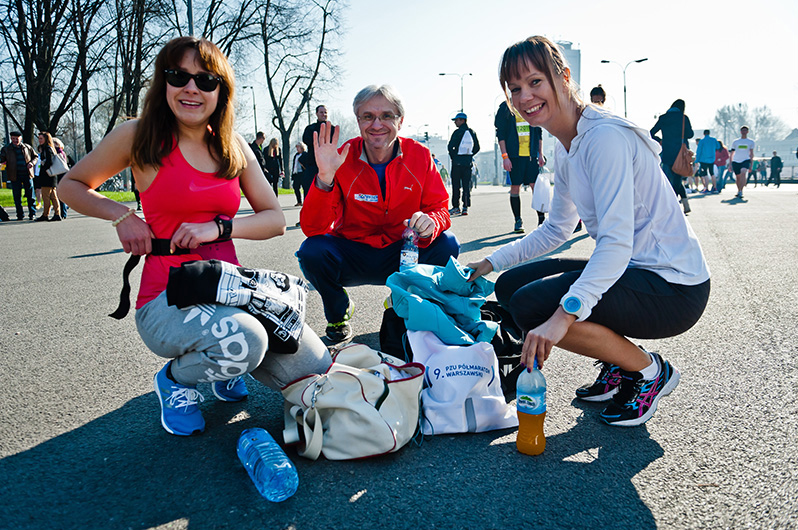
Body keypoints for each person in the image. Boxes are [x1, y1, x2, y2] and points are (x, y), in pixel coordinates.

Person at [58, 36, 331, 437]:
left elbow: (273, 219)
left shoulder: (233, 145)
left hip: (230, 289)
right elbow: (71, 185)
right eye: (178, 76)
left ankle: (225, 367)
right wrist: (122, 216)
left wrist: (219, 227)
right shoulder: (138, 135)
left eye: (205, 80)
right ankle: (177, 381)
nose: (191, 88)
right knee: (246, 339)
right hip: (165, 299)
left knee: (315, 367)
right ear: (163, 83)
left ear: (221, 90)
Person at [467, 36, 710, 427]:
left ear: (562, 77)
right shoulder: (566, 145)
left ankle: (648, 371)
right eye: (515, 89)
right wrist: (490, 261)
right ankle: (618, 364)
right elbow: (557, 228)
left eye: (534, 82)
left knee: (533, 307)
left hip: (673, 287)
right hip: (632, 272)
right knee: (510, 287)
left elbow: (615, 243)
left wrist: (563, 316)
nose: (524, 96)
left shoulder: (604, 138)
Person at [296, 84, 460, 343]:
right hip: (354, 251)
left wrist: (432, 222)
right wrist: (325, 178)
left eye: (386, 116)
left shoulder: (420, 155)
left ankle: (407, 302)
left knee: (447, 243)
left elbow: (440, 207)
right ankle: (338, 312)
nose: (377, 124)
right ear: (358, 121)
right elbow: (313, 229)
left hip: (403, 250)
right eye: (368, 116)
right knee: (311, 250)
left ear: (401, 121)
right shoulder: (342, 157)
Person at [495, 100, 544, 233]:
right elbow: (501, 134)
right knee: (515, 187)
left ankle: (542, 220)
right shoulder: (505, 107)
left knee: (536, 187)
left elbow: (538, 131)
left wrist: (540, 154)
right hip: (514, 157)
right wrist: (505, 157)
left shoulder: (531, 104)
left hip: (531, 156)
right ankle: (518, 220)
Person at [651, 99, 694, 214]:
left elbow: (651, 132)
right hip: (680, 154)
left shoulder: (663, 118)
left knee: (668, 181)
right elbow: (690, 134)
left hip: (667, 153)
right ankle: (680, 205)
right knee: (677, 180)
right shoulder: (684, 118)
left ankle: (677, 205)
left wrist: (660, 141)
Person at [447, 112, 480, 215]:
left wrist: (454, 157)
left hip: (457, 163)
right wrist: (469, 155)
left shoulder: (457, 133)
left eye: (456, 120)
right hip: (467, 163)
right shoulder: (472, 132)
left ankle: (456, 207)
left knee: (456, 186)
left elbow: (450, 146)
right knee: (466, 185)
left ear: (462, 120)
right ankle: (465, 207)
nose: (455, 123)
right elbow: (477, 147)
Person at [0, 131, 37, 220]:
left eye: (16, 138)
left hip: (27, 174)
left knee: (30, 195)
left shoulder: (27, 147)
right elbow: (1, 158)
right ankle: (20, 214)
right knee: (17, 196)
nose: (15, 140)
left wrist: (32, 163)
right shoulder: (6, 149)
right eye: (13, 138)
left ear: (20, 138)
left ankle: (32, 213)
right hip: (14, 175)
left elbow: (35, 157)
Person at [301, 104, 335, 183]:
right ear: (316, 114)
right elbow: (306, 140)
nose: (324, 114)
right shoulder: (310, 128)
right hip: (312, 162)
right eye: (321, 112)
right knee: (309, 186)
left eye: (325, 112)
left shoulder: (332, 129)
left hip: (327, 163)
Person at [35, 132, 63, 221]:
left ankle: (45, 214)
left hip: (47, 176)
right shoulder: (50, 148)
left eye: (41, 138)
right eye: (39, 138)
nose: (39, 140)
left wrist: (43, 165)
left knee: (46, 196)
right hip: (52, 176)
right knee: (53, 196)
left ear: (46, 139)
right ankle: (57, 214)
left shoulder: (47, 149)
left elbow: (49, 162)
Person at [730, 126, 755, 199]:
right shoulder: (736, 142)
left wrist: (751, 164)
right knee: (738, 177)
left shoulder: (751, 142)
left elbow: (751, 153)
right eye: (742, 131)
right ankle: (738, 190)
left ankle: (741, 191)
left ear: (747, 132)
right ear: (740, 132)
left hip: (745, 160)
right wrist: (730, 164)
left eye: (745, 131)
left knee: (743, 172)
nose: (744, 132)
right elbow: (732, 153)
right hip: (736, 160)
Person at [53, 138, 74, 218]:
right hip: (62, 173)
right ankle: (64, 209)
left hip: (59, 173)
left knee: (59, 193)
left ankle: (63, 211)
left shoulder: (58, 152)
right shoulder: (62, 152)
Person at [291, 142, 306, 206]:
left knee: (305, 188)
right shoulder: (296, 155)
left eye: (298, 147)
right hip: (296, 173)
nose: (297, 148)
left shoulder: (305, 154)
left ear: (302, 147)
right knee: (295, 187)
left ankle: (305, 201)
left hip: (302, 173)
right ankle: (299, 201)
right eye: (296, 147)